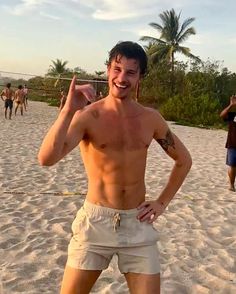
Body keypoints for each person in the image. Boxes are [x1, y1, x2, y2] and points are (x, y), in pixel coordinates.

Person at [38, 41, 192, 294]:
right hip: (95, 224)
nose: (122, 78)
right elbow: (46, 159)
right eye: (117, 69)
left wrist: (162, 202)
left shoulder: (150, 118)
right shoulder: (88, 116)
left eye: (131, 72)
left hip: (138, 225)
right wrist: (68, 110)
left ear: (140, 77)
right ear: (107, 70)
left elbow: (184, 160)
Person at [220, 94, 236, 191]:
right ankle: (231, 185)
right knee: (233, 164)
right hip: (233, 143)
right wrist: (231, 105)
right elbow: (222, 115)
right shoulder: (232, 113)